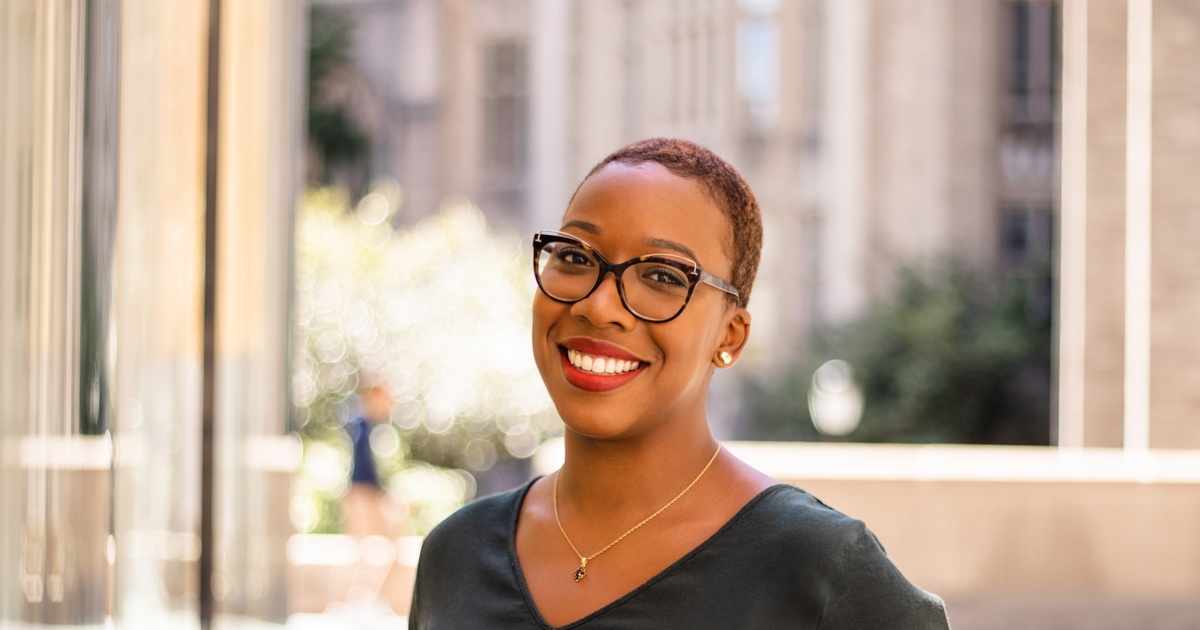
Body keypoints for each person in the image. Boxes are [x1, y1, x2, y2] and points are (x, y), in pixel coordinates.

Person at [408, 138, 950, 628]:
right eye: (575, 256)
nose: (600, 306)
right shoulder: (455, 554)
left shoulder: (822, 570)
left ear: (731, 336)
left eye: (663, 276)